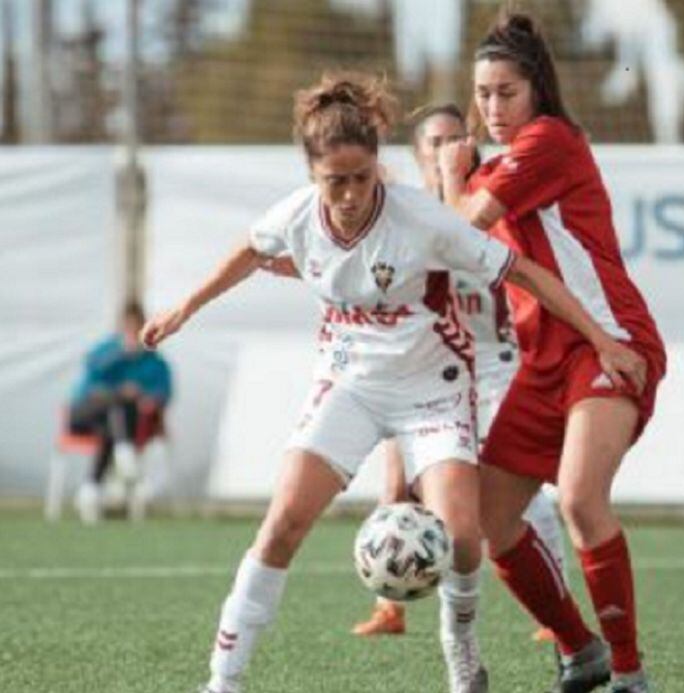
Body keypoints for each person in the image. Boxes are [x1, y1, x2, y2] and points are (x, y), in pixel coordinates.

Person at [140, 71, 645, 693]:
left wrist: (601, 338)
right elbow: (248, 250)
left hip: (432, 390)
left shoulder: (421, 219)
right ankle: (223, 679)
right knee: (281, 526)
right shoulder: (297, 215)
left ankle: (461, 654)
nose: (350, 194)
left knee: (463, 534)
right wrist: (183, 309)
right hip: (347, 387)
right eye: (335, 182)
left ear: (379, 167)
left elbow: (527, 274)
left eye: (361, 178)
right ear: (312, 177)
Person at [436, 13, 665, 693]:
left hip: (610, 342)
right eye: (481, 94)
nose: (492, 107)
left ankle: (629, 672)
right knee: (486, 517)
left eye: (506, 90)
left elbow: (461, 236)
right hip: (543, 360)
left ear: (536, 89)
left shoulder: (551, 140)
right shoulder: (508, 158)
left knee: (580, 498)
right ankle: (579, 647)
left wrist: (452, 174)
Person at [349, 103, 567, 643]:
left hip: (492, 369)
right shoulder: (400, 211)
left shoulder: (488, 207)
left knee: (516, 486)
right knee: (396, 483)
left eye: (456, 139)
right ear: (419, 152)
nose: (449, 149)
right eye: (436, 141)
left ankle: (552, 607)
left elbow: (462, 246)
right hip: (424, 369)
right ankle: (389, 605)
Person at [67, 300, 171, 524]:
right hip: (83, 414)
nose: (132, 329)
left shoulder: (154, 361)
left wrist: (143, 395)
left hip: (117, 424)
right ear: (122, 325)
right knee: (115, 402)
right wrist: (121, 354)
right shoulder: (107, 349)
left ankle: (90, 489)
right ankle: (125, 455)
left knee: (111, 426)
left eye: (137, 324)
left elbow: (164, 391)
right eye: (128, 324)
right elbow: (91, 374)